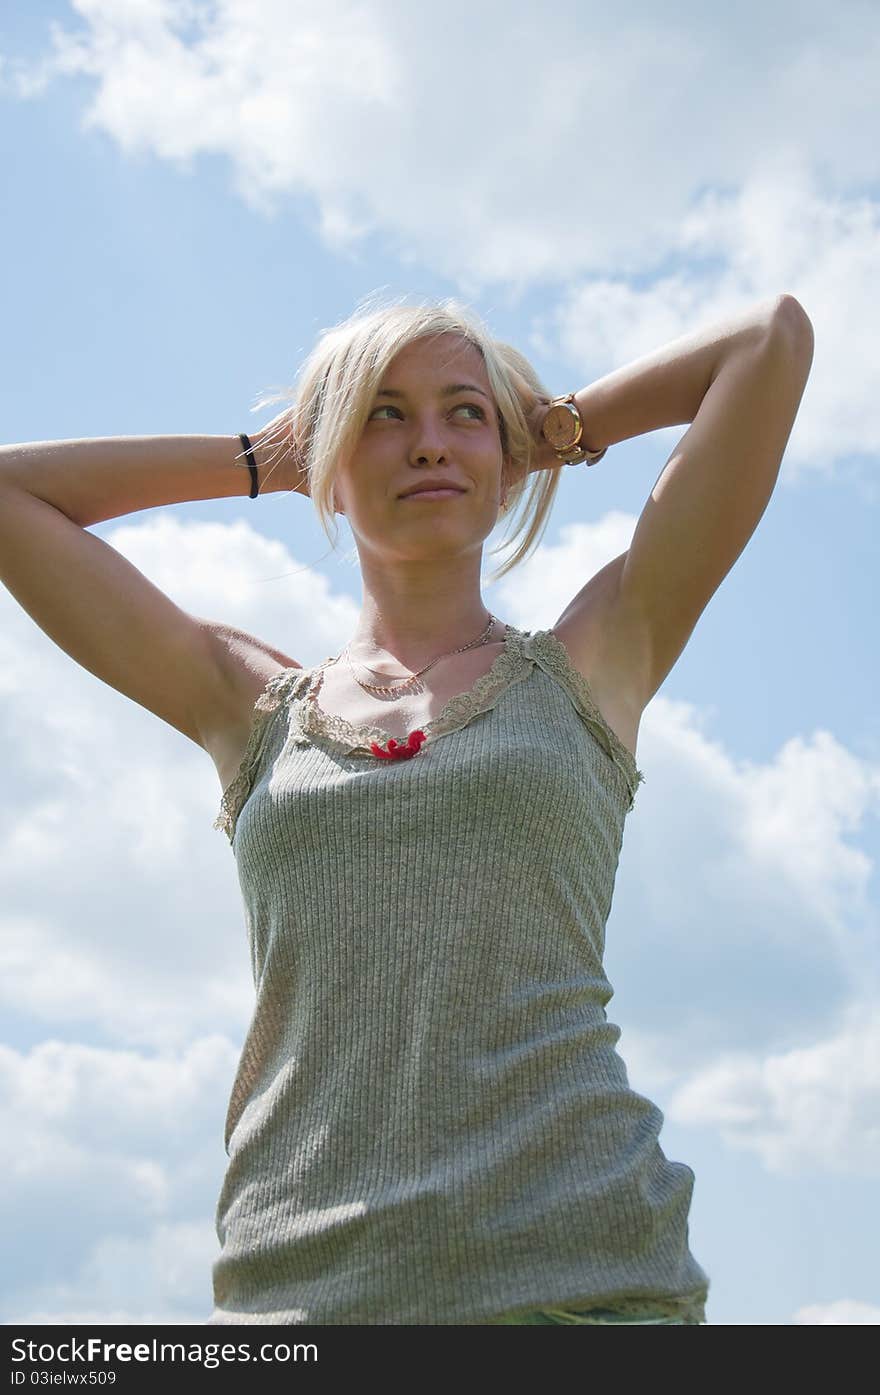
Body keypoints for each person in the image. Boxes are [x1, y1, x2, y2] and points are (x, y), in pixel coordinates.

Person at [0, 290, 813, 1324]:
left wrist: (552, 430)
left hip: (587, 1288)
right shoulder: (247, 706)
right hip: (304, 1294)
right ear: (328, 459)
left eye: (462, 413)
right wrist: (263, 458)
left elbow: (766, 340)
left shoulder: (597, 660)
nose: (428, 443)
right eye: (383, 414)